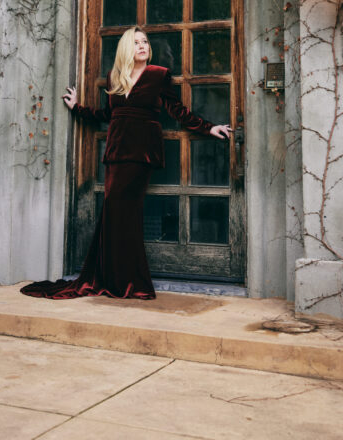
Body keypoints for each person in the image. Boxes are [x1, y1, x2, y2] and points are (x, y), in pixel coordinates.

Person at [20, 26, 231, 300]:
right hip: (116, 151)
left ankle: (131, 282)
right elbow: (109, 114)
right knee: (113, 214)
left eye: (145, 41)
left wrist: (208, 128)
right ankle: (113, 279)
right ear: (126, 48)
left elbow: (177, 111)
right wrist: (77, 108)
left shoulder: (159, 75)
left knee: (126, 215)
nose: (142, 45)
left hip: (141, 153)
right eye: (136, 42)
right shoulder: (115, 76)